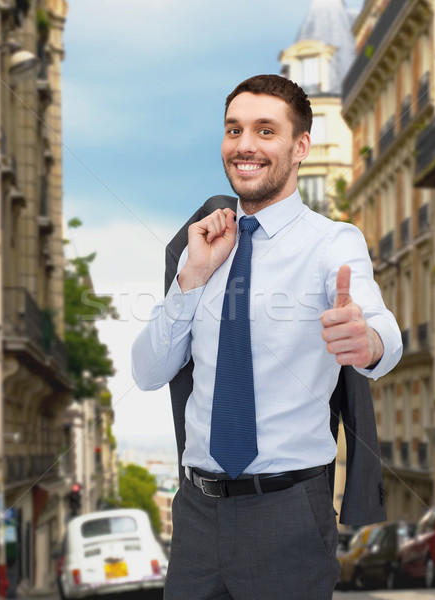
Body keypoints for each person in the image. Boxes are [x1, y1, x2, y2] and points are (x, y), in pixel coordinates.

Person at [132, 74, 402, 600]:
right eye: (234, 130)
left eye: (264, 130)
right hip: (195, 517)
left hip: (288, 517)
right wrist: (190, 281)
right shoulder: (203, 246)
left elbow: (383, 331)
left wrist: (365, 340)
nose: (245, 145)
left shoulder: (332, 243)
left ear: (300, 146)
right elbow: (146, 372)